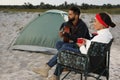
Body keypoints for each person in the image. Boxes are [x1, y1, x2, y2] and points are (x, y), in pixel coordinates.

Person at [48, 12, 116, 80]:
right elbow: (94, 46)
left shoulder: (99, 38)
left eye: (95, 21)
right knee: (59, 44)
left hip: (86, 62)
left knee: (63, 49)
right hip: (96, 60)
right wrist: (86, 41)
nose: (93, 23)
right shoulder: (108, 35)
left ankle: (52, 70)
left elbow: (86, 54)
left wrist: (81, 46)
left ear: (102, 24)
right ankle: (60, 68)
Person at [32, 6, 90, 78]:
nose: (68, 16)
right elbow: (65, 26)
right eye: (68, 14)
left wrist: (67, 35)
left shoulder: (82, 25)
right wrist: (62, 32)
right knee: (58, 44)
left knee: (64, 48)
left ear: (77, 15)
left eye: (70, 14)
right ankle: (65, 64)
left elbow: (79, 40)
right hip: (74, 44)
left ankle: (48, 68)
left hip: (81, 48)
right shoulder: (70, 22)